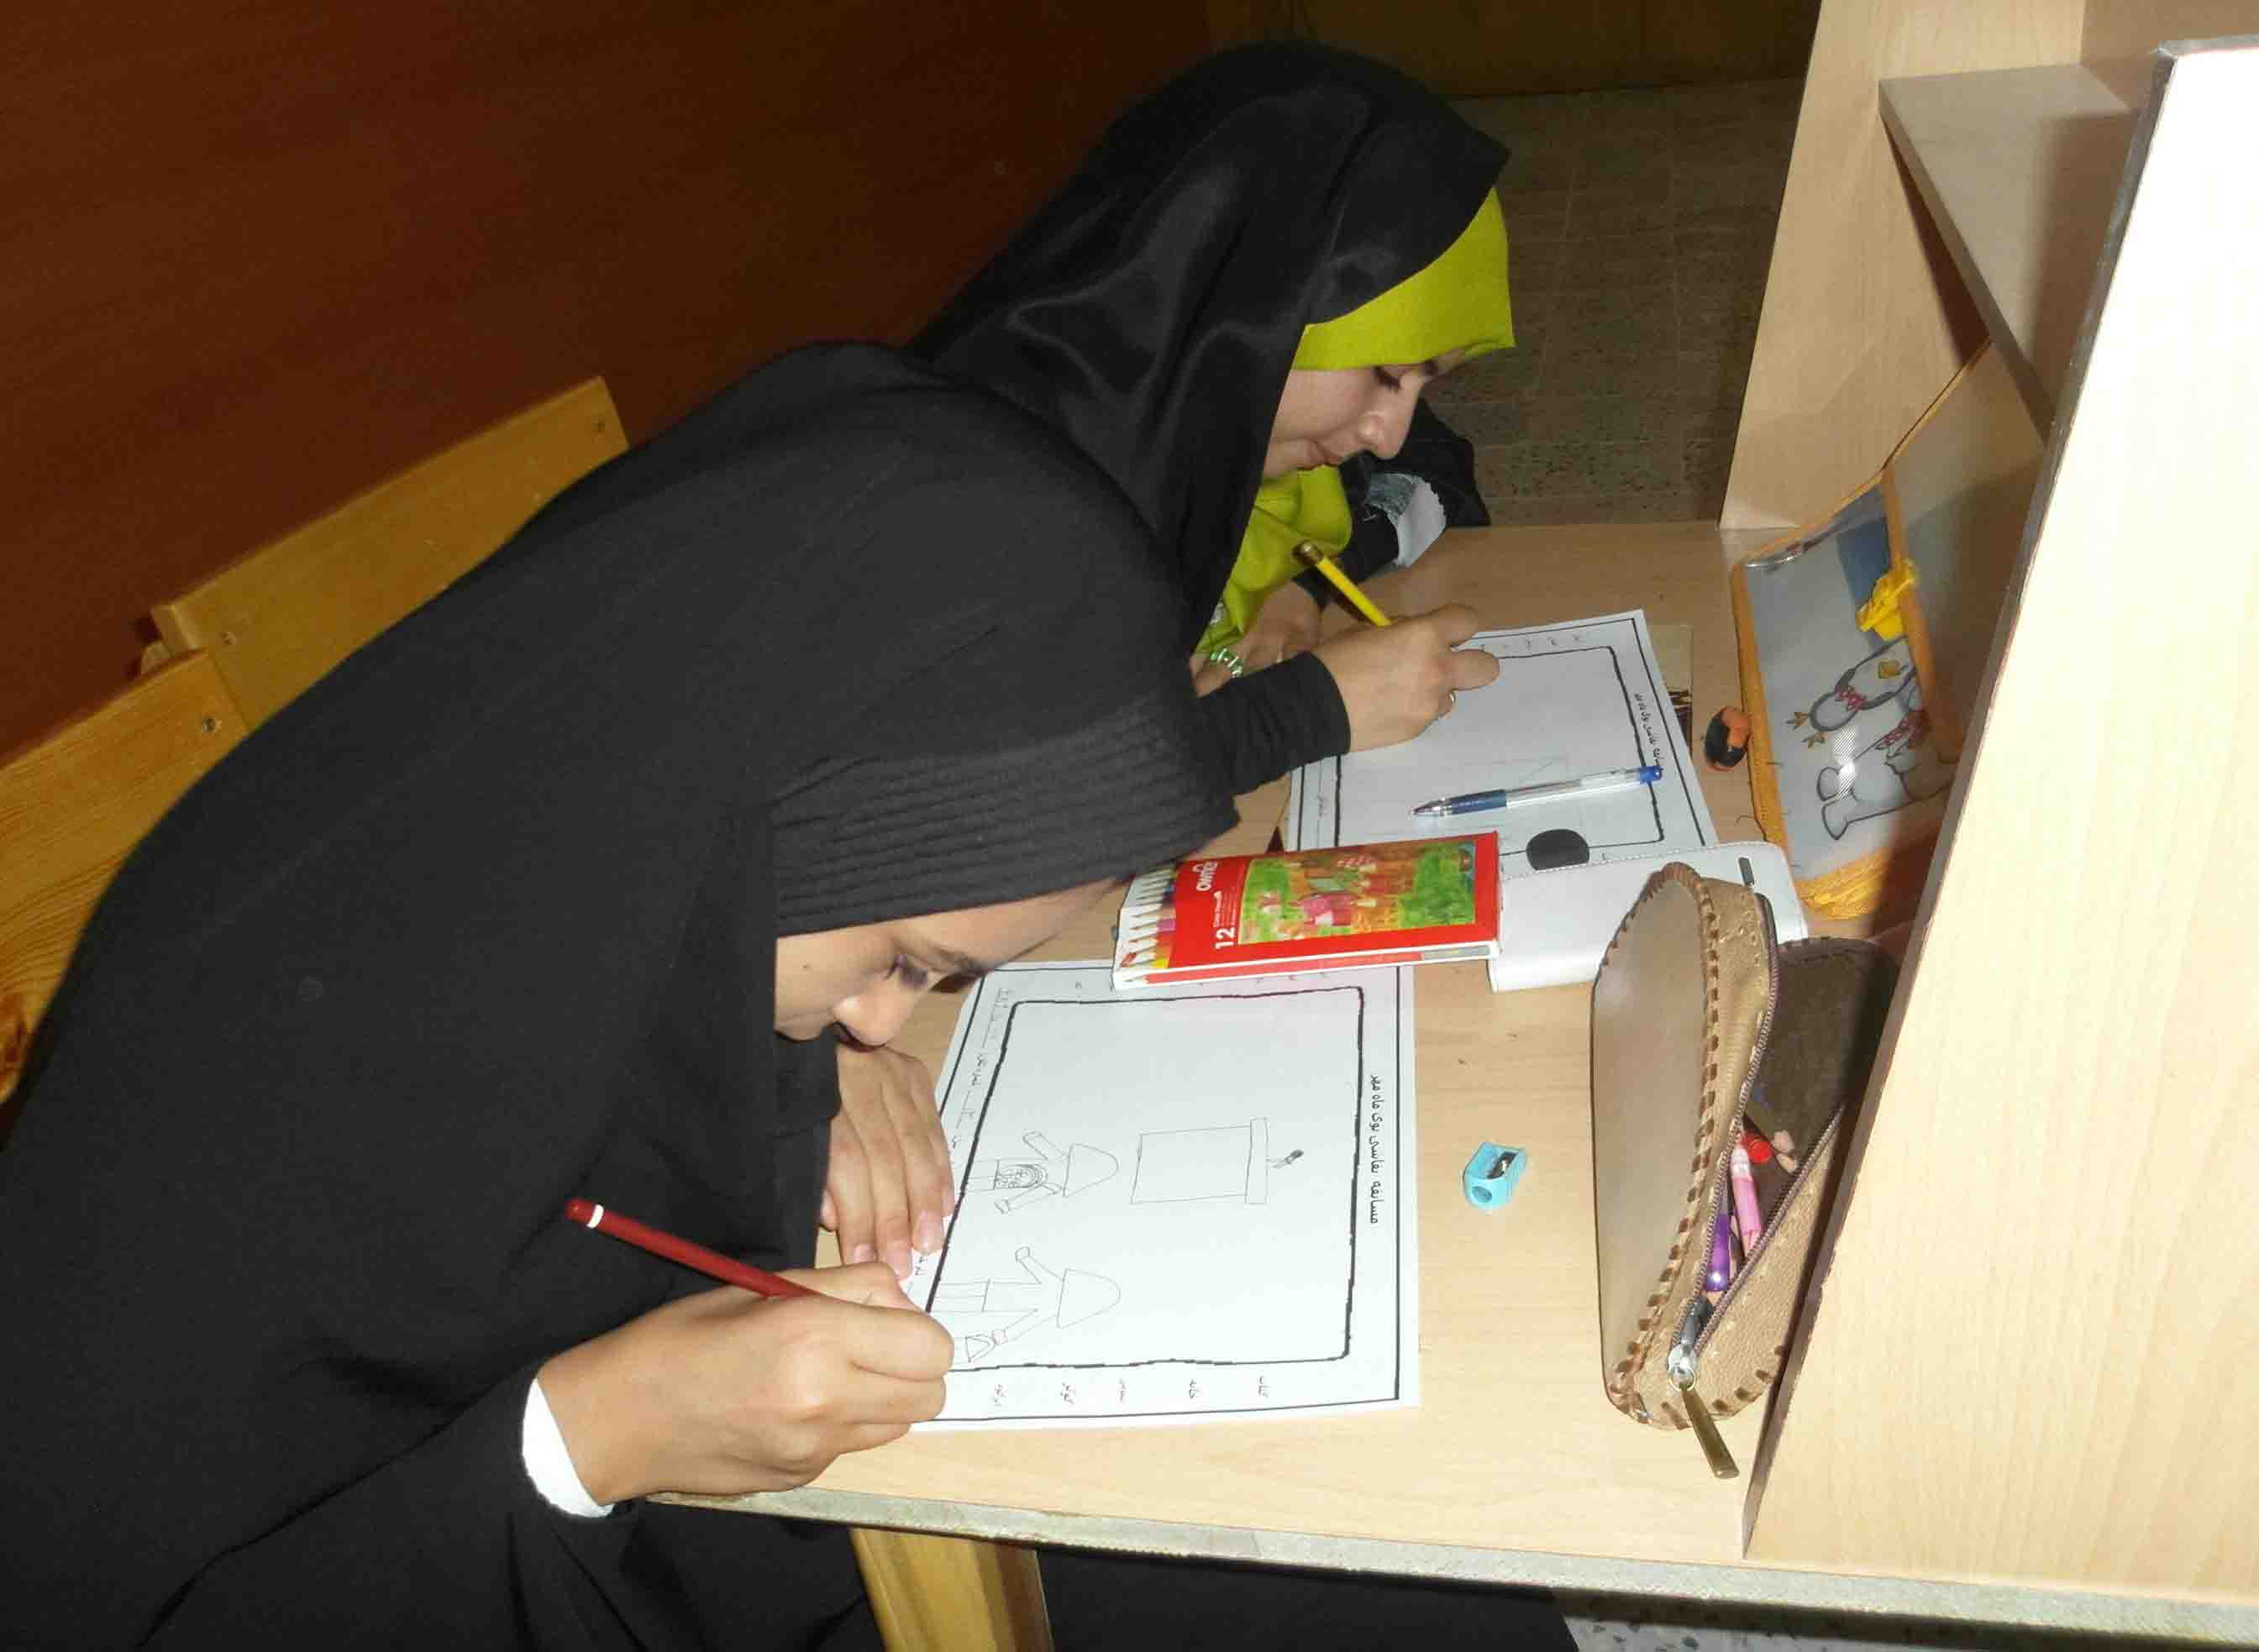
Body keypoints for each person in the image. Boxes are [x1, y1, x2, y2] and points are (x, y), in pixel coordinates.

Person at [0, 344, 1236, 1648]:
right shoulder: (256, 1109)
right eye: (903, 961)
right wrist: (588, 1433)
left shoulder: (621, 818)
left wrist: (808, 1057)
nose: (888, 1022)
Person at [913, 42, 1518, 798]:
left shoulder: (1218, 382)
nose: (1388, 431)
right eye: (1387, 374)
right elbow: (972, 812)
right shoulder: (997, 493)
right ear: (1260, 308)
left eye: (1424, 381)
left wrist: (1306, 585)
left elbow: (1431, 468)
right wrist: (1302, 713)